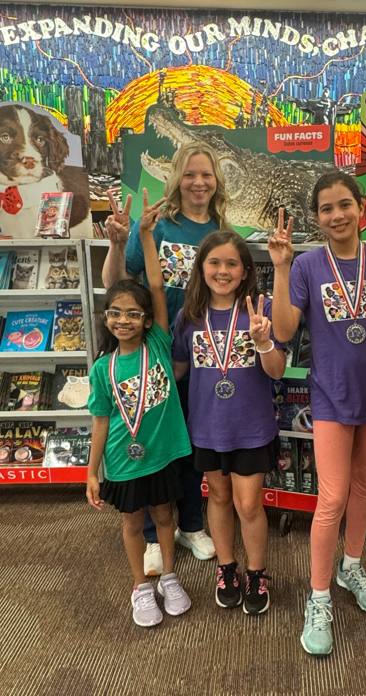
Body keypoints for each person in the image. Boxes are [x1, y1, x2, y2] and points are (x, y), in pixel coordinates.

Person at [269, 172, 366, 655]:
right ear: (316, 218)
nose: (337, 215)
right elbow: (283, 331)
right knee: (331, 498)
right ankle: (318, 595)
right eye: (326, 209)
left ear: (362, 207)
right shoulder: (306, 265)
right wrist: (281, 268)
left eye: (345, 204)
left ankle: (352, 565)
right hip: (330, 395)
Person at [102, 141, 226, 575]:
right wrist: (121, 242)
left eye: (206, 174)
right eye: (189, 174)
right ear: (176, 178)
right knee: (152, 443)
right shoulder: (156, 224)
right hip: (153, 357)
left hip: (203, 359)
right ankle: (156, 535)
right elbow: (118, 283)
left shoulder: (221, 229)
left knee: (192, 446)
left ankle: (192, 524)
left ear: (217, 180)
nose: (198, 182)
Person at [86, 190, 193, 627]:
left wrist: (146, 236)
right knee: (132, 524)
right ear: (106, 317)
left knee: (166, 515)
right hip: (123, 461)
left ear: (147, 320)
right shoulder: (102, 368)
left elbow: (154, 286)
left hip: (162, 453)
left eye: (133, 314)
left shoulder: (159, 344)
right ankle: (141, 586)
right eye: (115, 313)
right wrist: (92, 472)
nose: (124, 320)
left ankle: (169, 576)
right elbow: (99, 422)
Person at [172, 231, 286, 615]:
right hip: (206, 427)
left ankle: (256, 572)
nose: (223, 271)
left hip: (251, 427)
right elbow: (178, 370)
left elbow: (277, 371)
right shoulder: (188, 316)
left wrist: (263, 342)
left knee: (249, 503)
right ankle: (226, 568)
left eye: (232, 264)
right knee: (217, 497)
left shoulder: (262, 307)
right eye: (214, 263)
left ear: (244, 271)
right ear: (202, 269)